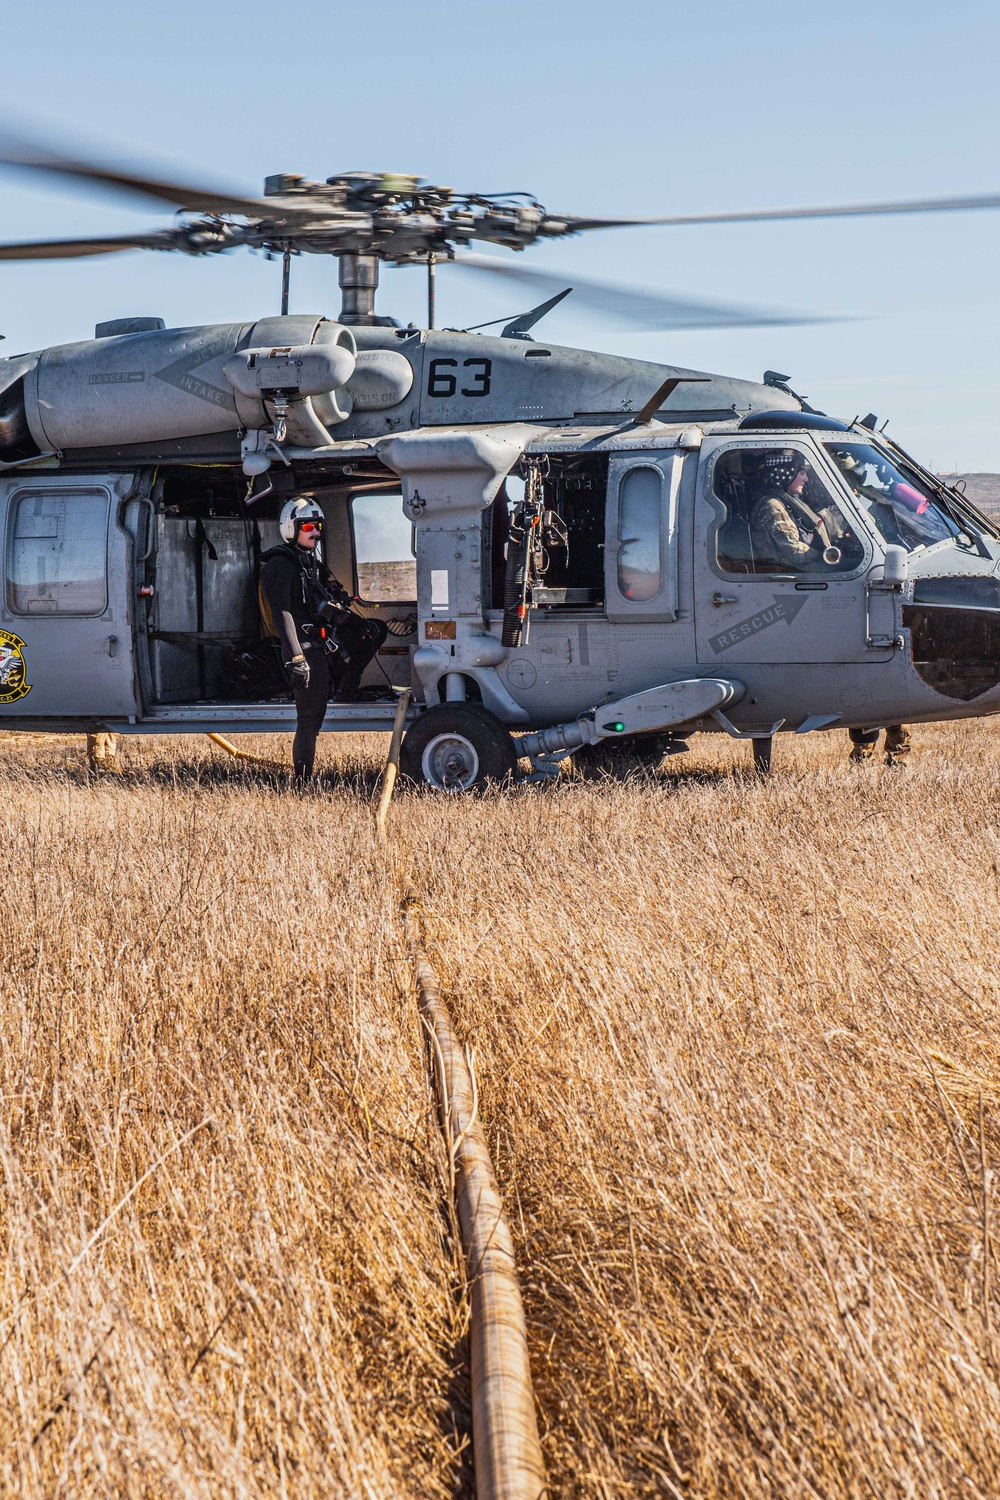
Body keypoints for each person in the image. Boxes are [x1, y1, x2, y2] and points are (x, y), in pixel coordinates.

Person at [259, 497, 386, 782]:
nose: (315, 532)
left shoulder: (311, 563)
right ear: (291, 528)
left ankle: (347, 688)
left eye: (317, 526)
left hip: (321, 643)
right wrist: (296, 659)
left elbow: (332, 598)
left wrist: (357, 624)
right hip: (303, 649)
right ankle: (303, 782)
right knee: (310, 721)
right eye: (308, 526)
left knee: (373, 628)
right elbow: (282, 616)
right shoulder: (280, 566)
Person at [749, 450, 851, 572]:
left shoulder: (787, 502)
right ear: (787, 474)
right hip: (787, 572)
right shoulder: (773, 506)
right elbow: (793, 551)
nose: (806, 479)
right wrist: (824, 555)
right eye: (802, 473)